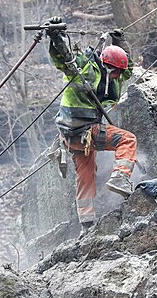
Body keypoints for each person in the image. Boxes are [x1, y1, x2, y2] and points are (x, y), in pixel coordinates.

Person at [46, 16, 137, 237]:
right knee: (127, 139)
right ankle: (120, 177)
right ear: (107, 66)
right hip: (83, 131)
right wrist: (56, 37)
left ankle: (85, 225)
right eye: (115, 72)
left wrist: (120, 43)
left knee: (86, 175)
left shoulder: (113, 76)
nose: (118, 77)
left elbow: (128, 69)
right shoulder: (87, 70)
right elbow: (65, 61)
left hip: (74, 139)